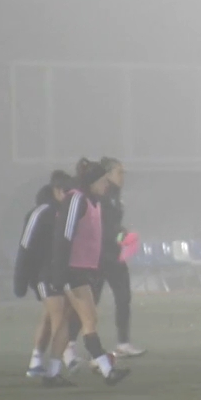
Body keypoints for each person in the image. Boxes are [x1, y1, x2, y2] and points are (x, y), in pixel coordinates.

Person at [51, 158, 130, 386]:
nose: (107, 185)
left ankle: (52, 372)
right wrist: (60, 272)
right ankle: (106, 369)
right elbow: (64, 235)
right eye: (104, 181)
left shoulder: (93, 201)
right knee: (89, 319)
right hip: (72, 270)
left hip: (82, 269)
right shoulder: (76, 199)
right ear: (93, 182)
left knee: (69, 323)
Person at [15, 170, 78, 386]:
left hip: (62, 272)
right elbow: (25, 246)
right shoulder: (41, 212)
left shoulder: (68, 212)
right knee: (59, 316)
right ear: (57, 191)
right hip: (44, 273)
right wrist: (21, 279)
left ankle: (36, 362)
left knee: (51, 317)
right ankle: (64, 360)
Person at [90, 157, 145, 358]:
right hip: (99, 256)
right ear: (107, 174)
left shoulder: (114, 195)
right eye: (119, 172)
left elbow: (113, 225)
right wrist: (122, 237)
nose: (122, 177)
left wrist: (123, 235)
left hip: (113, 255)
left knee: (123, 297)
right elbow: (103, 228)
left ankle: (123, 343)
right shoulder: (100, 195)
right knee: (90, 302)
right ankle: (69, 344)